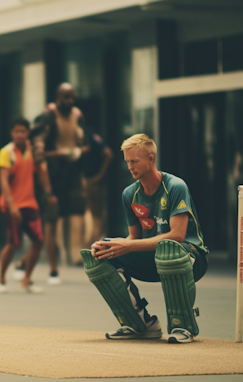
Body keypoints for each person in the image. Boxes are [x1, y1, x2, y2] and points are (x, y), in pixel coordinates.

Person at [79, 134, 208, 344]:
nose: (130, 167)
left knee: (170, 250)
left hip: (191, 257)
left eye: (134, 161)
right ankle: (140, 324)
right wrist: (111, 245)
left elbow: (178, 236)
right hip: (155, 256)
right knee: (100, 257)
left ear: (150, 159)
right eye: (127, 162)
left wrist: (127, 245)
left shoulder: (176, 186)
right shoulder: (129, 194)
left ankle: (182, 325)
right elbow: (134, 238)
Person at [16, 83, 88, 284]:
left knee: (76, 213)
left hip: (72, 175)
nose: (70, 101)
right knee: (51, 222)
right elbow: (38, 152)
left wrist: (79, 152)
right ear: (57, 97)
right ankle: (54, 269)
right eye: (66, 97)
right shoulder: (47, 116)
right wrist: (56, 156)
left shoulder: (78, 116)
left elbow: (84, 142)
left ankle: (25, 262)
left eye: (72, 97)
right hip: (52, 176)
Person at [0, 117, 56, 294]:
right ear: (12, 133)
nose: (20, 135)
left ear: (28, 133)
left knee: (38, 240)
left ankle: (27, 279)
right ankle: (1, 278)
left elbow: (42, 172)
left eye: (23, 131)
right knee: (13, 243)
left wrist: (49, 194)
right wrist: (11, 204)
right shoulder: (6, 152)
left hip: (30, 203)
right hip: (12, 204)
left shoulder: (33, 150)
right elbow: (3, 180)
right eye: (17, 131)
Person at [80, 128, 113, 255]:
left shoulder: (88, 134)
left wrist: (99, 175)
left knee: (96, 214)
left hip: (91, 182)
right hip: (82, 182)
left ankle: (93, 245)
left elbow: (108, 153)